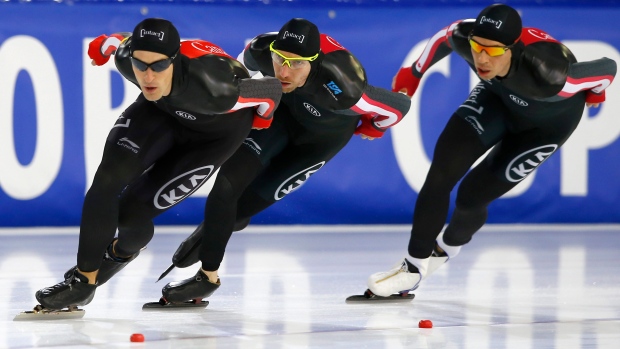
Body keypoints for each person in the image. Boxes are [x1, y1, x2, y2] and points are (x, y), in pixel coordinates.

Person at [366, 3, 617, 298]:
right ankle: (413, 267)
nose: (482, 58)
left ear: (513, 48)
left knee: (471, 196)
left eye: (494, 51)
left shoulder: (550, 74)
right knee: (440, 174)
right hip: (497, 99)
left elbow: (607, 68)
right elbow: (445, 36)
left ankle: (447, 247)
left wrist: (596, 92)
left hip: (546, 128)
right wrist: (414, 72)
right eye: (477, 47)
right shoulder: (466, 37)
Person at [156, 18, 412, 305]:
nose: (284, 71)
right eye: (280, 59)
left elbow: (399, 107)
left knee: (239, 212)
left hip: (318, 144)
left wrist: (373, 127)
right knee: (226, 188)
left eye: (297, 64)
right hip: (280, 119)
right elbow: (241, 73)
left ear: (314, 62)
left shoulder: (344, 84)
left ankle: (212, 231)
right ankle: (207, 278)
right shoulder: (261, 48)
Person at [34, 18, 282, 311]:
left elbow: (271, 90)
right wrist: (103, 46)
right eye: (141, 65)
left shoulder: (217, 89)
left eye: (159, 66)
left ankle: (119, 254)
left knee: (130, 216)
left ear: (175, 61)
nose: (148, 76)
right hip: (162, 112)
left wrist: (263, 118)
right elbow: (115, 41)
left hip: (215, 135)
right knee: (105, 183)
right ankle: (84, 282)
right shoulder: (127, 58)